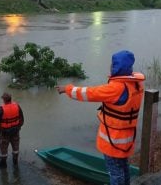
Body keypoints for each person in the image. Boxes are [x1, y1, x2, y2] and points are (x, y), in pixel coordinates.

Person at [56, 50, 145, 185]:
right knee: (123, 167)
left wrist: (67, 89)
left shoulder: (116, 88)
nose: (110, 66)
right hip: (127, 138)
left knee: (115, 172)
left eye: (112, 64)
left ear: (117, 67)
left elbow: (90, 93)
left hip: (113, 140)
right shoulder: (136, 84)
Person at [0, 92, 24, 168]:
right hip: (15, 131)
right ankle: (15, 161)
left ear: (4, 99)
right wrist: (18, 127)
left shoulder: (1, 108)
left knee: (3, 147)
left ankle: (3, 163)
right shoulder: (17, 106)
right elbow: (22, 118)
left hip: (5, 132)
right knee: (15, 146)